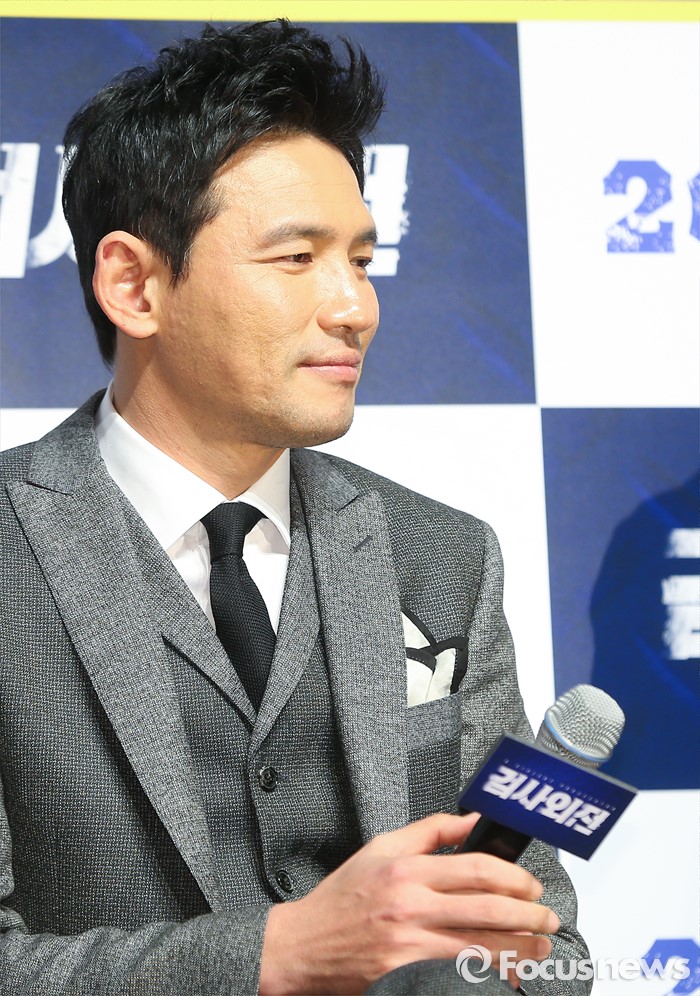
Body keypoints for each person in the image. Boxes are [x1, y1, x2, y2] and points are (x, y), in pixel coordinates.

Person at [0, 20, 590, 996]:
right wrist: (278, 955)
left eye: (360, 259)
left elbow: (550, 946)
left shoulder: (442, 558)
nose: (355, 307)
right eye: (296, 258)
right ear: (135, 284)